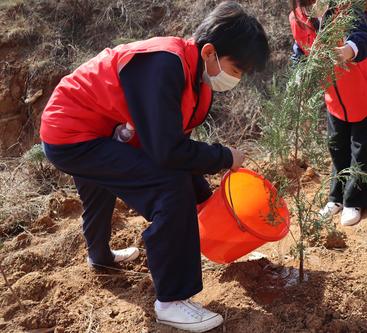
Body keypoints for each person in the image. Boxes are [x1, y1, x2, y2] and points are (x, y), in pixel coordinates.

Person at [40, 2, 270, 331]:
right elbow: (167, 155)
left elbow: (176, 148)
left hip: (96, 129)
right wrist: (223, 157)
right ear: (210, 53)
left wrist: (208, 204)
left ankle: (100, 256)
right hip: (72, 132)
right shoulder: (164, 64)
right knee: (168, 187)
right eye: (237, 68)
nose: (237, 78)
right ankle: (172, 301)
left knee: (100, 187)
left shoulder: (195, 79)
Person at [289, 0, 367, 226]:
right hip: (335, 98)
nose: (311, 6)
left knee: (361, 149)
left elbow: (363, 36)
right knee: (337, 145)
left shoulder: (346, 7)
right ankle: (336, 198)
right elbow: (299, 48)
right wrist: (299, 69)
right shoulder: (298, 17)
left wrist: (346, 51)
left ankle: (355, 201)